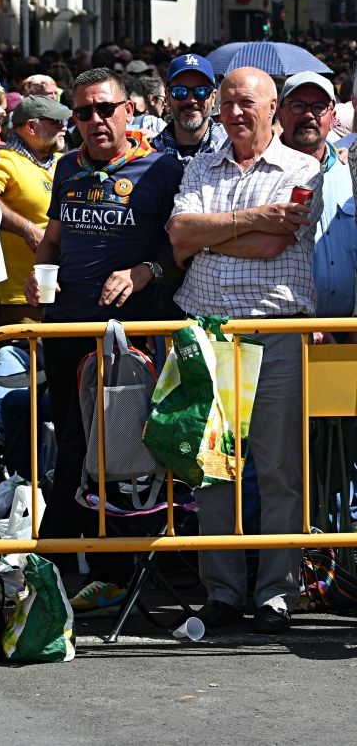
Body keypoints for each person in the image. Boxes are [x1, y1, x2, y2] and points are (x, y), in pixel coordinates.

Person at [23, 67, 185, 612]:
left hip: (126, 343)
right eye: (84, 112)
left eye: (105, 109)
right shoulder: (67, 167)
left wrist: (144, 272)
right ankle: (63, 567)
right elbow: (53, 239)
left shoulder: (161, 169)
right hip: (67, 330)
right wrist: (37, 271)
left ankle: (96, 570)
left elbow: (179, 252)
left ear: (127, 111)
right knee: (69, 452)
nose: (95, 120)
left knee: (110, 456)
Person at [166, 67, 321, 635]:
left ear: (272, 107)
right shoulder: (201, 164)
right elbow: (179, 235)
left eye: (246, 101)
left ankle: (276, 594)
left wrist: (211, 232)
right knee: (214, 473)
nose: (234, 111)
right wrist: (245, 222)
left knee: (279, 470)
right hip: (210, 333)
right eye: (226, 100)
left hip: (276, 331)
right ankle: (224, 593)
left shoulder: (303, 168)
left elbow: (279, 239)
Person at [276, 71, 356, 320]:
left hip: (350, 331)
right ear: (280, 113)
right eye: (298, 105)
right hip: (290, 331)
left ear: (332, 117)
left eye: (319, 107)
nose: (308, 115)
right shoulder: (263, 171)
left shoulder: (350, 167)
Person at [0, 95, 71, 325]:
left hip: (65, 293)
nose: (64, 127)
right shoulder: (5, 160)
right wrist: (26, 229)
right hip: (20, 298)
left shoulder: (62, 163)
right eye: (56, 122)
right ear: (31, 126)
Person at [153, 53, 228, 162]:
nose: (191, 100)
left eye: (201, 91)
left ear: (213, 98)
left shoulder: (231, 147)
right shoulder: (149, 152)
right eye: (179, 91)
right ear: (167, 97)